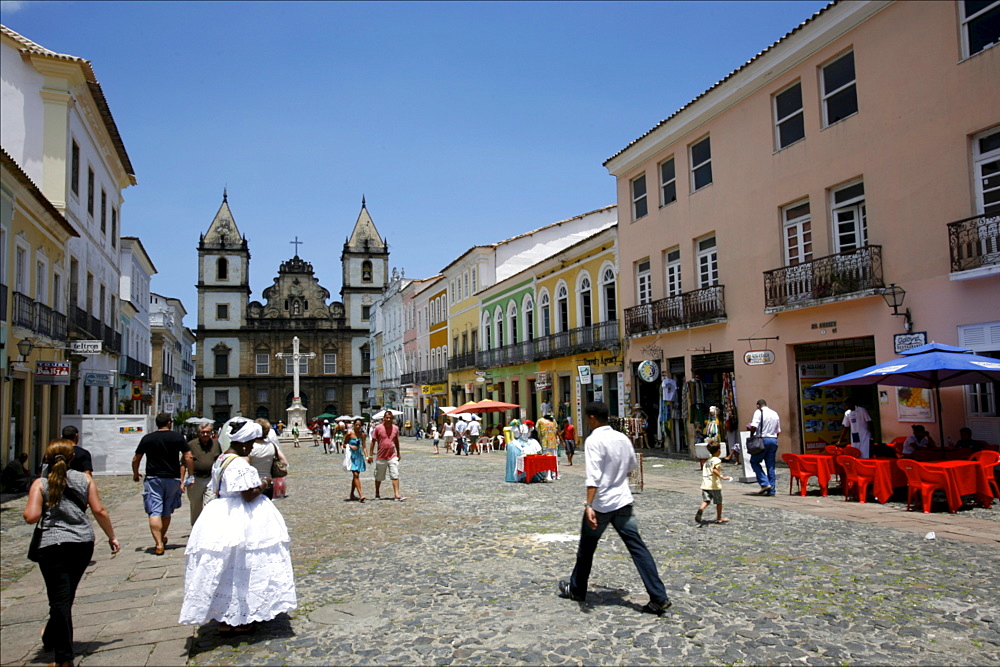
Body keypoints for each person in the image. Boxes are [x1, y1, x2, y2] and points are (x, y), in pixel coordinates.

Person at [178, 420, 297, 635]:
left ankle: (228, 616)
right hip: (242, 518)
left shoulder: (222, 459)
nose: (252, 447)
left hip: (222, 513)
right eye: (251, 443)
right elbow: (248, 494)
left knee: (229, 566)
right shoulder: (240, 464)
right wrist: (265, 483)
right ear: (242, 443)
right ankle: (240, 616)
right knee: (245, 564)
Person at [558, 402, 671, 616]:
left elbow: (594, 475)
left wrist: (589, 504)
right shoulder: (622, 438)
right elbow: (631, 466)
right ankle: (659, 596)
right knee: (638, 548)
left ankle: (577, 589)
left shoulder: (594, 441)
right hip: (623, 501)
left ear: (592, 418)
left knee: (586, 549)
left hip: (601, 504)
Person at [24, 440, 120, 666]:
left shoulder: (40, 483)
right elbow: (99, 510)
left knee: (59, 598)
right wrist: (111, 536)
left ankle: (64, 657)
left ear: (46, 459)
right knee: (66, 596)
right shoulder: (85, 479)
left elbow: (31, 516)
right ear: (72, 459)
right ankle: (50, 636)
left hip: (51, 544)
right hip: (81, 542)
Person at [132, 413, 193, 555]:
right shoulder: (178, 437)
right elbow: (188, 456)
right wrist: (190, 474)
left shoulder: (148, 438)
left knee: (154, 510)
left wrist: (135, 473)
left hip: (154, 478)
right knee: (166, 511)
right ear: (169, 423)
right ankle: (161, 538)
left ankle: (159, 543)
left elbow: (136, 458)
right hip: (172, 478)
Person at [186, 424, 222, 525]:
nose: (205, 434)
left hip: (211, 479)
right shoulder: (191, 445)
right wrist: (183, 480)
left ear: (212, 433)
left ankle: (208, 528)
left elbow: (220, 460)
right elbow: (184, 463)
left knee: (211, 504)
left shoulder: (216, 444)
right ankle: (196, 528)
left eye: (208, 432)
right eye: (203, 432)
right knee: (195, 506)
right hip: (196, 479)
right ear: (198, 433)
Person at [747, 399, 780, 496]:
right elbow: (778, 430)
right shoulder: (775, 413)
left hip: (762, 440)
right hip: (773, 440)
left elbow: (754, 426)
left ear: (758, 406)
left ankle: (765, 483)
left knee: (754, 461)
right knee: (771, 466)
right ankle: (772, 490)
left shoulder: (758, 412)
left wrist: (751, 434)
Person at [250, 418, 288, 500]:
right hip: (268, 483)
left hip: (253, 485)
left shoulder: (250, 447)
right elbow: (284, 462)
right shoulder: (272, 446)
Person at [370, 412, 404, 501]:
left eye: (390, 418)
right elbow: (373, 441)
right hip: (381, 456)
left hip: (392, 455)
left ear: (392, 419)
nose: (388, 419)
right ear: (383, 418)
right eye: (387, 418)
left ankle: (396, 494)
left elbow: (396, 441)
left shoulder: (395, 428)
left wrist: (398, 453)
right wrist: (370, 454)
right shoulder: (378, 428)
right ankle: (377, 493)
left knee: (395, 474)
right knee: (379, 476)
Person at [695, 440, 731, 524]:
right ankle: (719, 517)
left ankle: (701, 509)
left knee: (706, 500)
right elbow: (714, 470)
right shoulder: (717, 460)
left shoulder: (708, 461)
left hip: (705, 484)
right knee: (719, 502)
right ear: (719, 451)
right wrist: (722, 477)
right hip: (714, 485)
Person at [346, 419, 367, 502]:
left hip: (359, 456)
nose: (358, 426)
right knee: (356, 475)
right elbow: (343, 444)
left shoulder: (362, 435)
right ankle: (361, 494)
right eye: (356, 425)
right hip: (352, 456)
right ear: (353, 425)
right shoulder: (349, 434)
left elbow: (364, 447)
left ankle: (352, 494)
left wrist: (367, 456)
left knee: (355, 476)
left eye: (359, 425)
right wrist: (351, 446)